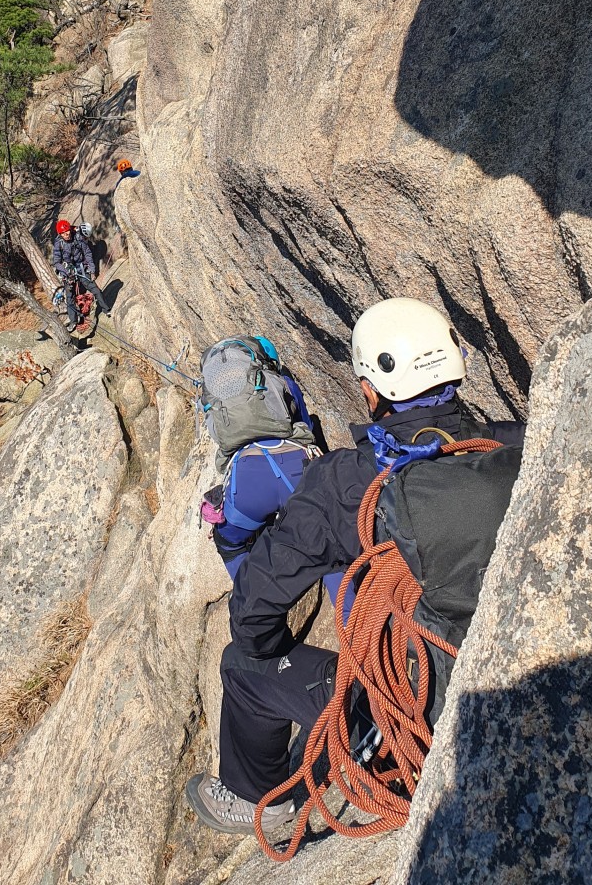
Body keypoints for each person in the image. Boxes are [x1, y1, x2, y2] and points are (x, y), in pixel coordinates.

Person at [185, 297, 526, 838]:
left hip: (414, 708)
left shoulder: (344, 485)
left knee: (242, 668)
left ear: (370, 390)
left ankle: (259, 801)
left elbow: (253, 615)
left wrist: (289, 649)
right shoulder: (519, 447)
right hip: (523, 670)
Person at [52, 219, 111, 330]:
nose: (67, 234)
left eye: (68, 231)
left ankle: (106, 309)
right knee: (70, 298)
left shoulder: (78, 238)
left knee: (95, 289)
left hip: (81, 268)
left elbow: (87, 253)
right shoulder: (58, 244)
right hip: (68, 272)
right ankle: (73, 321)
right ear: (60, 234)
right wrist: (66, 272)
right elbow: (56, 262)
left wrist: (92, 270)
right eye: (64, 233)